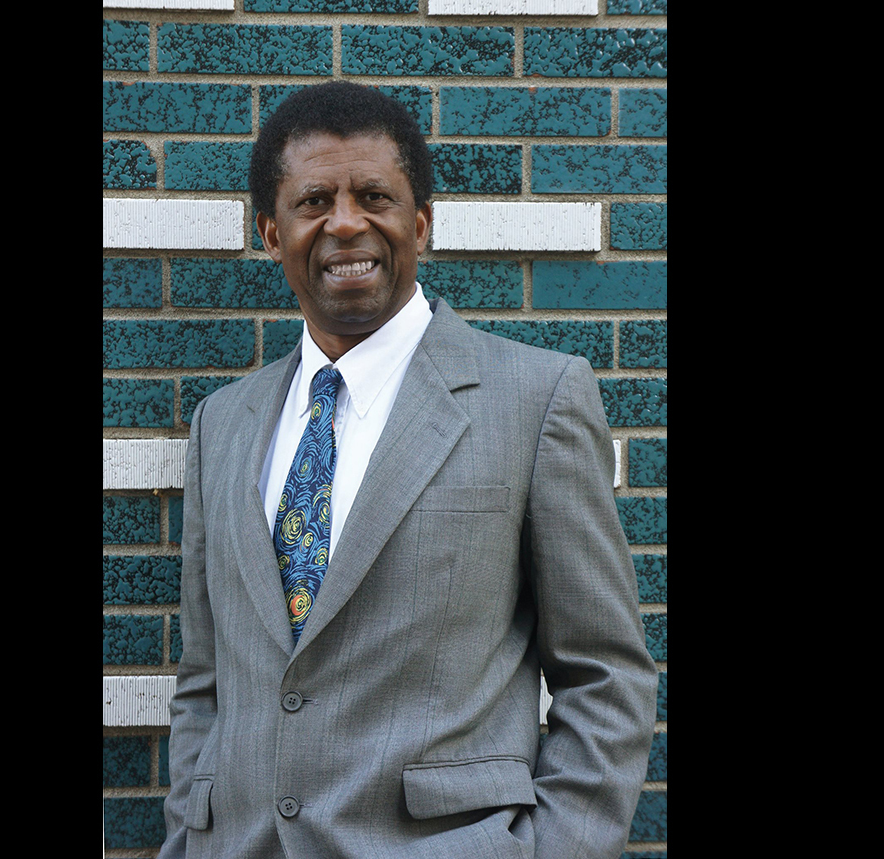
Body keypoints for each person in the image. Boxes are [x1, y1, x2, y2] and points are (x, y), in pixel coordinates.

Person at [161, 80, 657, 859]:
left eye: (374, 196)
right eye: (314, 201)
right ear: (272, 232)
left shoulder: (538, 398)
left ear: (419, 222)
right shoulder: (221, 424)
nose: (345, 222)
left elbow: (606, 674)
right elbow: (205, 680)